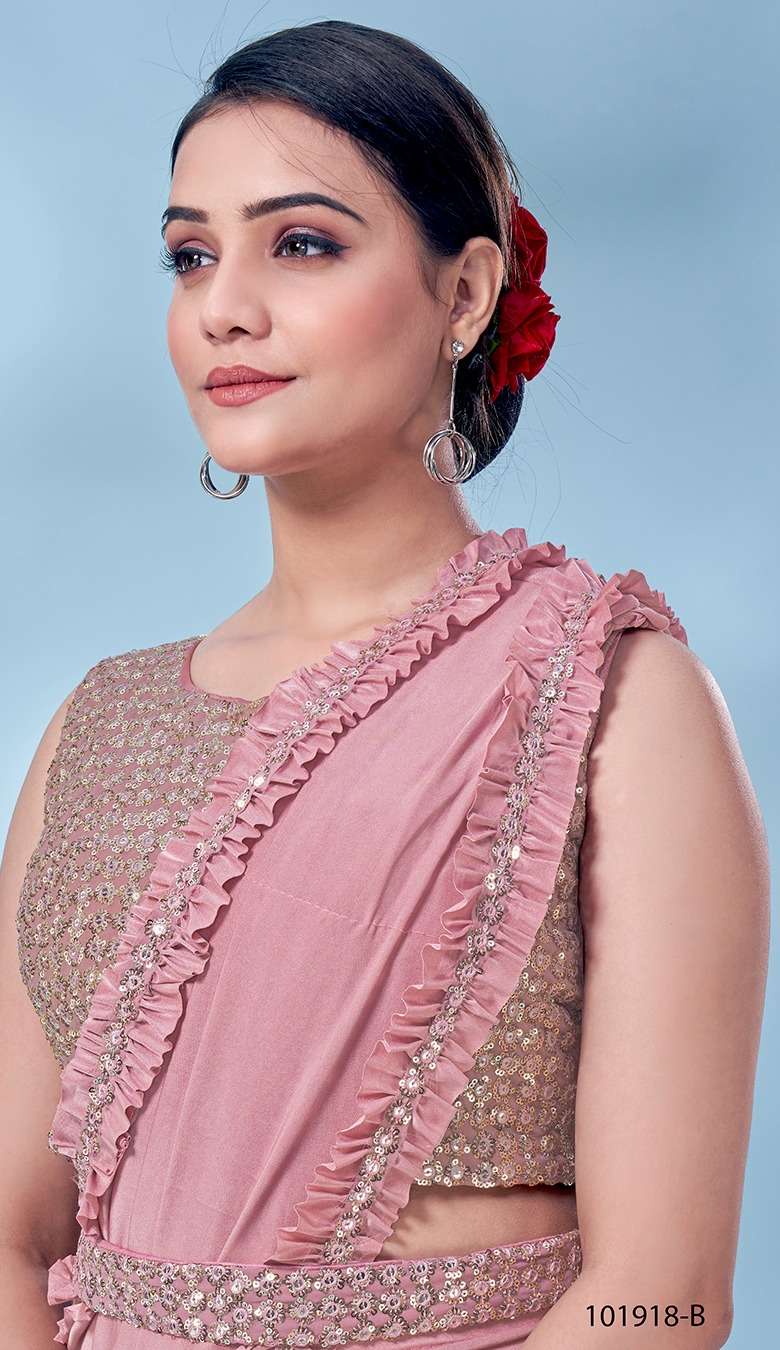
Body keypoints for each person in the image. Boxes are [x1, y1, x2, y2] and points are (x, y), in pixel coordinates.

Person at [1, 18, 768, 1350]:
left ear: (466, 295)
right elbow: (14, 1235)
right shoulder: (98, 726)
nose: (224, 306)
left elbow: (665, 1292)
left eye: (301, 243)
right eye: (191, 255)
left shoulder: (613, 702)